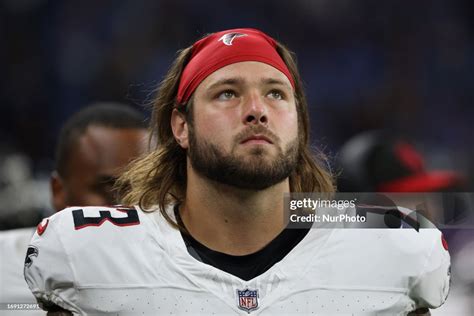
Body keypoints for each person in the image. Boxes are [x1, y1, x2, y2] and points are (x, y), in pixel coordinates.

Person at [24, 29, 450, 315]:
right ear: (181, 126)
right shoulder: (89, 255)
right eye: (227, 93)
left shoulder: (393, 246)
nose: (257, 111)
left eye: (276, 94)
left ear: (298, 122)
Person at [0, 103, 147, 314]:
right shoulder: (3, 267)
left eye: (143, 189)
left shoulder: (180, 276)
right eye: (108, 190)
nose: (125, 207)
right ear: (58, 191)